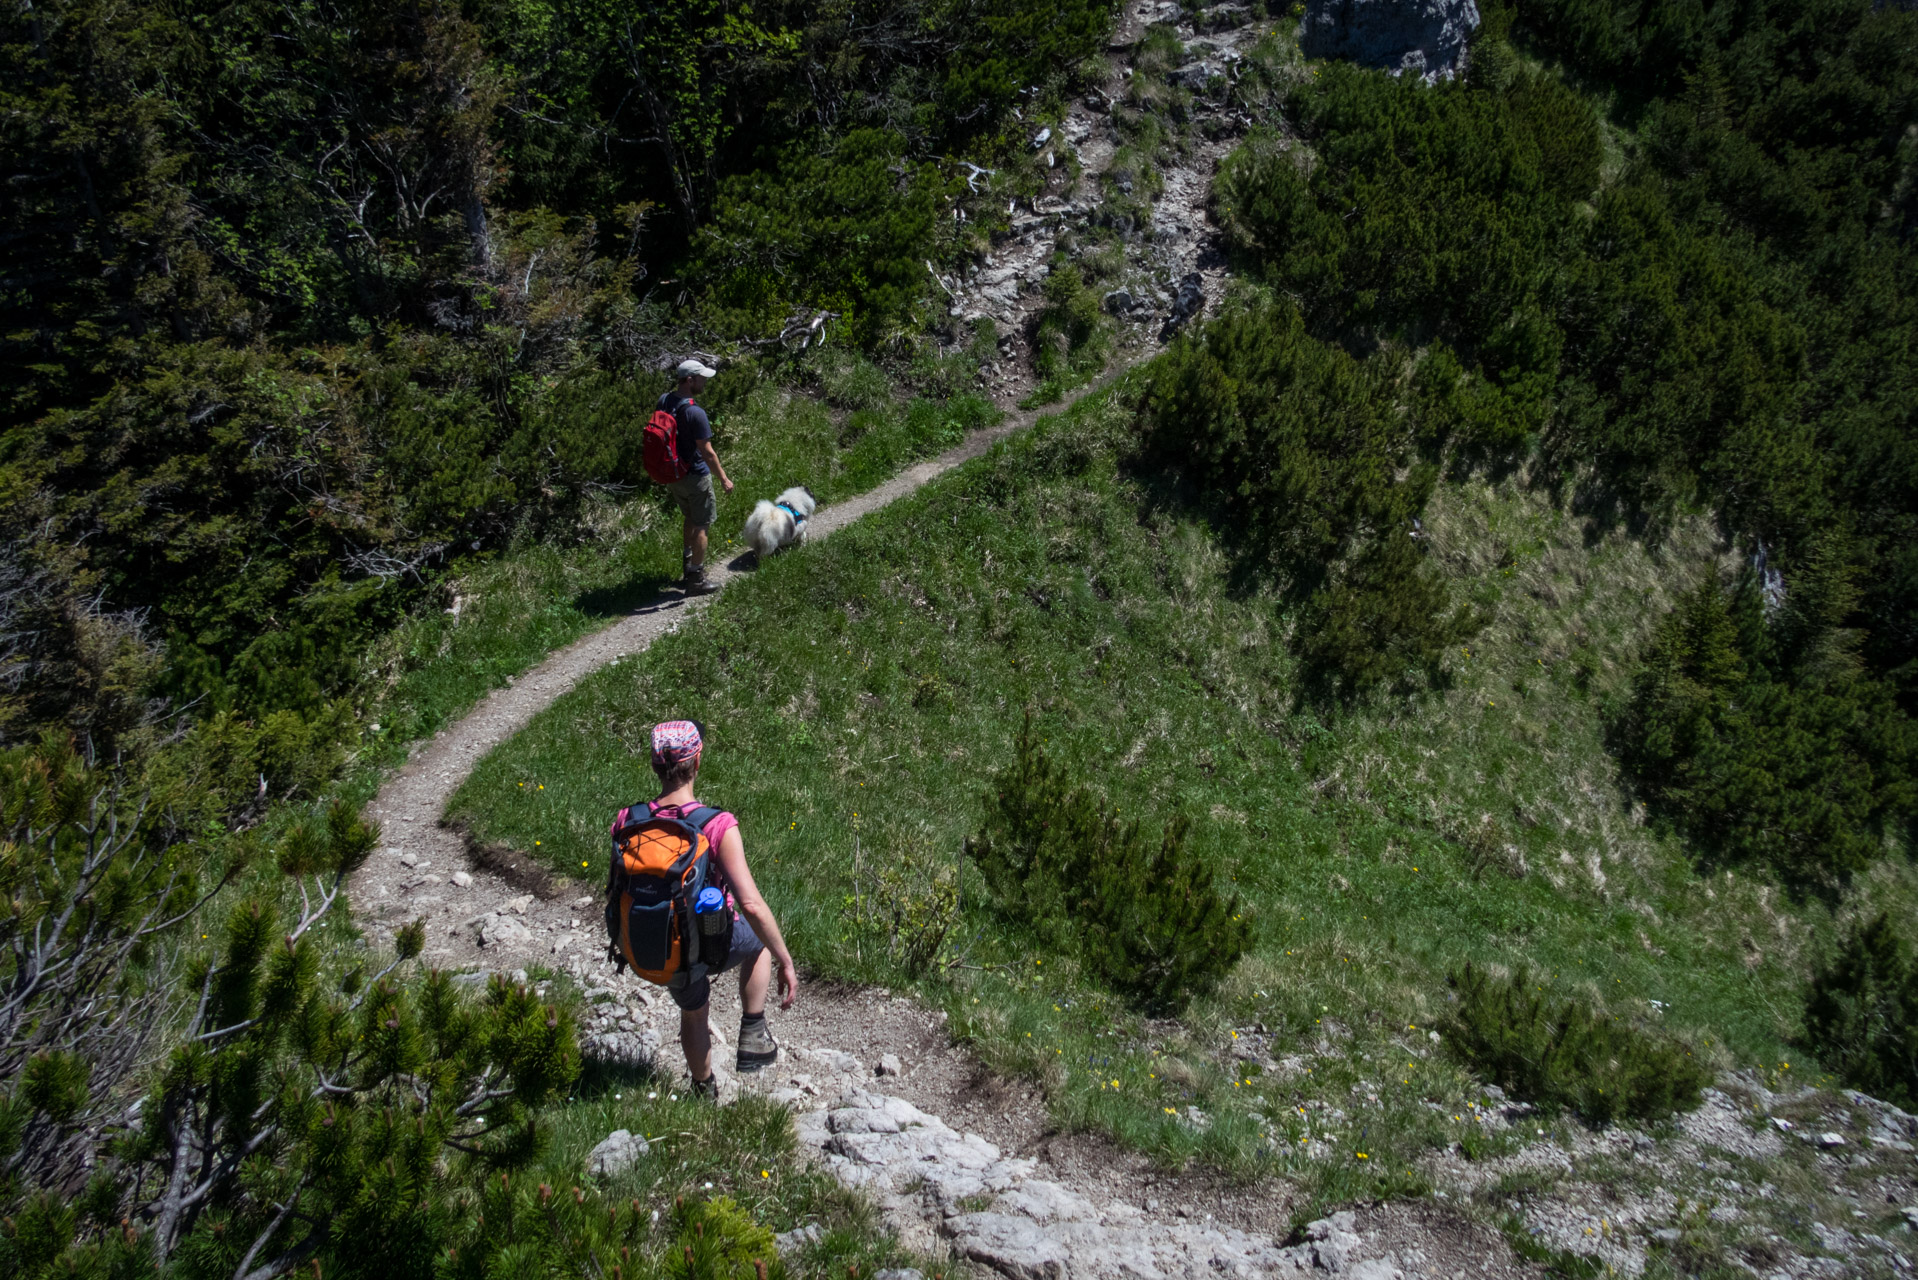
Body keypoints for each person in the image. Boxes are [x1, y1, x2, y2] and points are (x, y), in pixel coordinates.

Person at [646, 720, 796, 1097]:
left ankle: (703, 1089)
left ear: (654, 767)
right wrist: (785, 959)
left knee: (693, 1010)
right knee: (757, 938)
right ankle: (753, 1033)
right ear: (697, 763)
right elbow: (751, 904)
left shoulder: (630, 821)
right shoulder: (716, 825)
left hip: (656, 948)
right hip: (708, 943)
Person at [660, 359, 735, 594]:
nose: (704, 382)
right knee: (702, 524)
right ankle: (696, 579)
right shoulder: (695, 412)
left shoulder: (664, 400)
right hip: (695, 475)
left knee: (689, 517)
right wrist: (723, 478)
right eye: (701, 378)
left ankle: (687, 563)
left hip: (673, 475)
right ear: (690, 380)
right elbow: (708, 452)